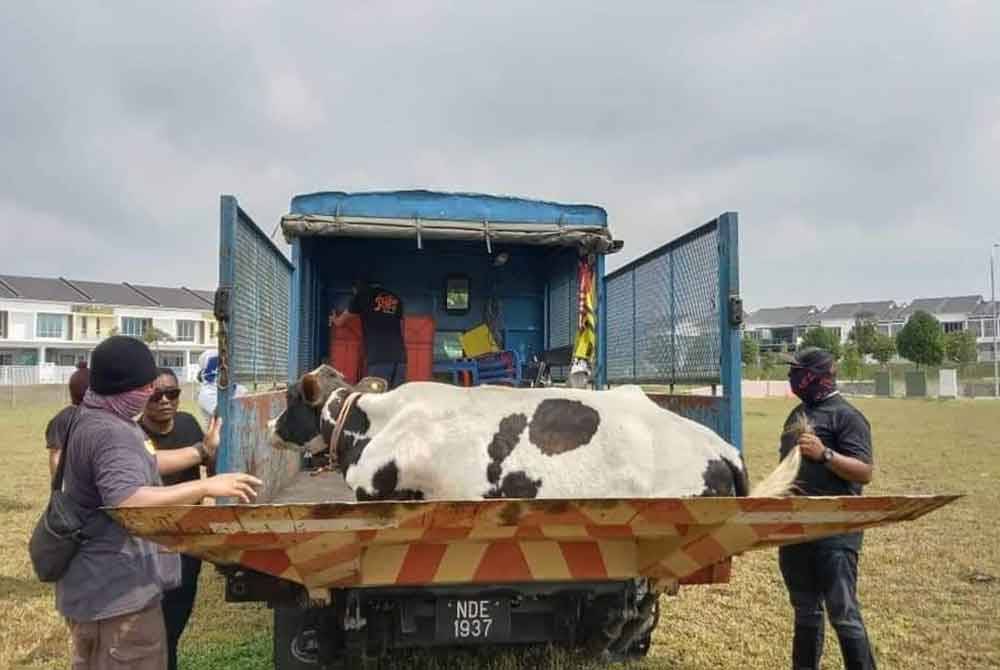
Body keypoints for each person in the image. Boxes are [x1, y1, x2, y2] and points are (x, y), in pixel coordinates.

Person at [57, 336, 261, 670]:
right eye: (149, 387)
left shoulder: (91, 417)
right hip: (119, 598)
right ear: (132, 388)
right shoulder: (112, 433)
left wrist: (200, 451)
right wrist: (207, 485)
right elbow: (128, 501)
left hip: (95, 589)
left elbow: (143, 462)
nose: (156, 396)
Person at [778, 347, 877, 670]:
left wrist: (826, 455)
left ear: (816, 376)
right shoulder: (797, 415)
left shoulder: (847, 417)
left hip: (836, 532)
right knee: (805, 610)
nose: (792, 378)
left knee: (843, 614)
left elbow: (865, 471)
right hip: (796, 529)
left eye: (797, 372)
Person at [141, 368, 220, 670]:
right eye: (155, 394)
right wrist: (202, 452)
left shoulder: (187, 423)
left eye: (171, 393)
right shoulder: (136, 436)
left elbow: (210, 462)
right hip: (153, 543)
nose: (164, 401)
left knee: (175, 621)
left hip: (188, 542)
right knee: (155, 629)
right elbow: (151, 467)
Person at [331, 279, 407, 388]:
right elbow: (402, 326)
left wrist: (334, 319)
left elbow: (340, 322)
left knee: (377, 397)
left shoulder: (361, 296)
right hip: (400, 358)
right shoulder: (395, 298)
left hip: (379, 357)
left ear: (356, 289)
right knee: (397, 398)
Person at [45, 361, 90, 477]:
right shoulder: (101, 418)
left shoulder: (60, 419)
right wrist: (58, 486)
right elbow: (56, 455)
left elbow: (55, 455)